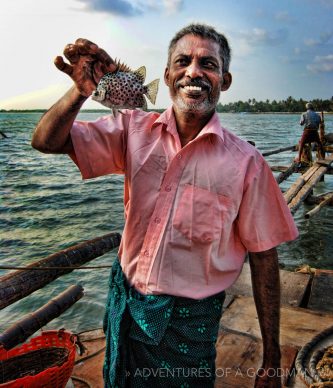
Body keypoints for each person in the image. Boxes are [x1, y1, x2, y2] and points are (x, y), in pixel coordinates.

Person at [31, 24, 298, 388]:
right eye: (183, 61)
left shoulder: (247, 164)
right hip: (123, 302)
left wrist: (270, 357)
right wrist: (80, 92)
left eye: (208, 63)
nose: (194, 71)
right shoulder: (132, 130)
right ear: (168, 76)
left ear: (225, 79)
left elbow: (264, 257)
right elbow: (46, 141)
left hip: (190, 323)